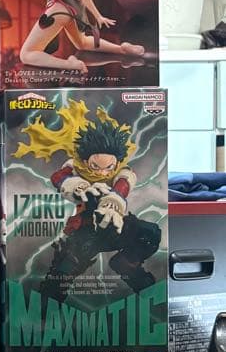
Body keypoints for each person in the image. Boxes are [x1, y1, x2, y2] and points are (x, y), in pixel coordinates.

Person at [12, 99, 161, 302]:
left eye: (108, 168)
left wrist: (113, 202)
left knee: (150, 233)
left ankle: (128, 265)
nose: (102, 173)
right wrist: (77, 186)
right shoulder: (76, 168)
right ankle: (45, 309)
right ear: (85, 161)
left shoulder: (122, 171)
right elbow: (58, 177)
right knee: (64, 270)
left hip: (116, 225)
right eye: (95, 167)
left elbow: (124, 183)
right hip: (86, 230)